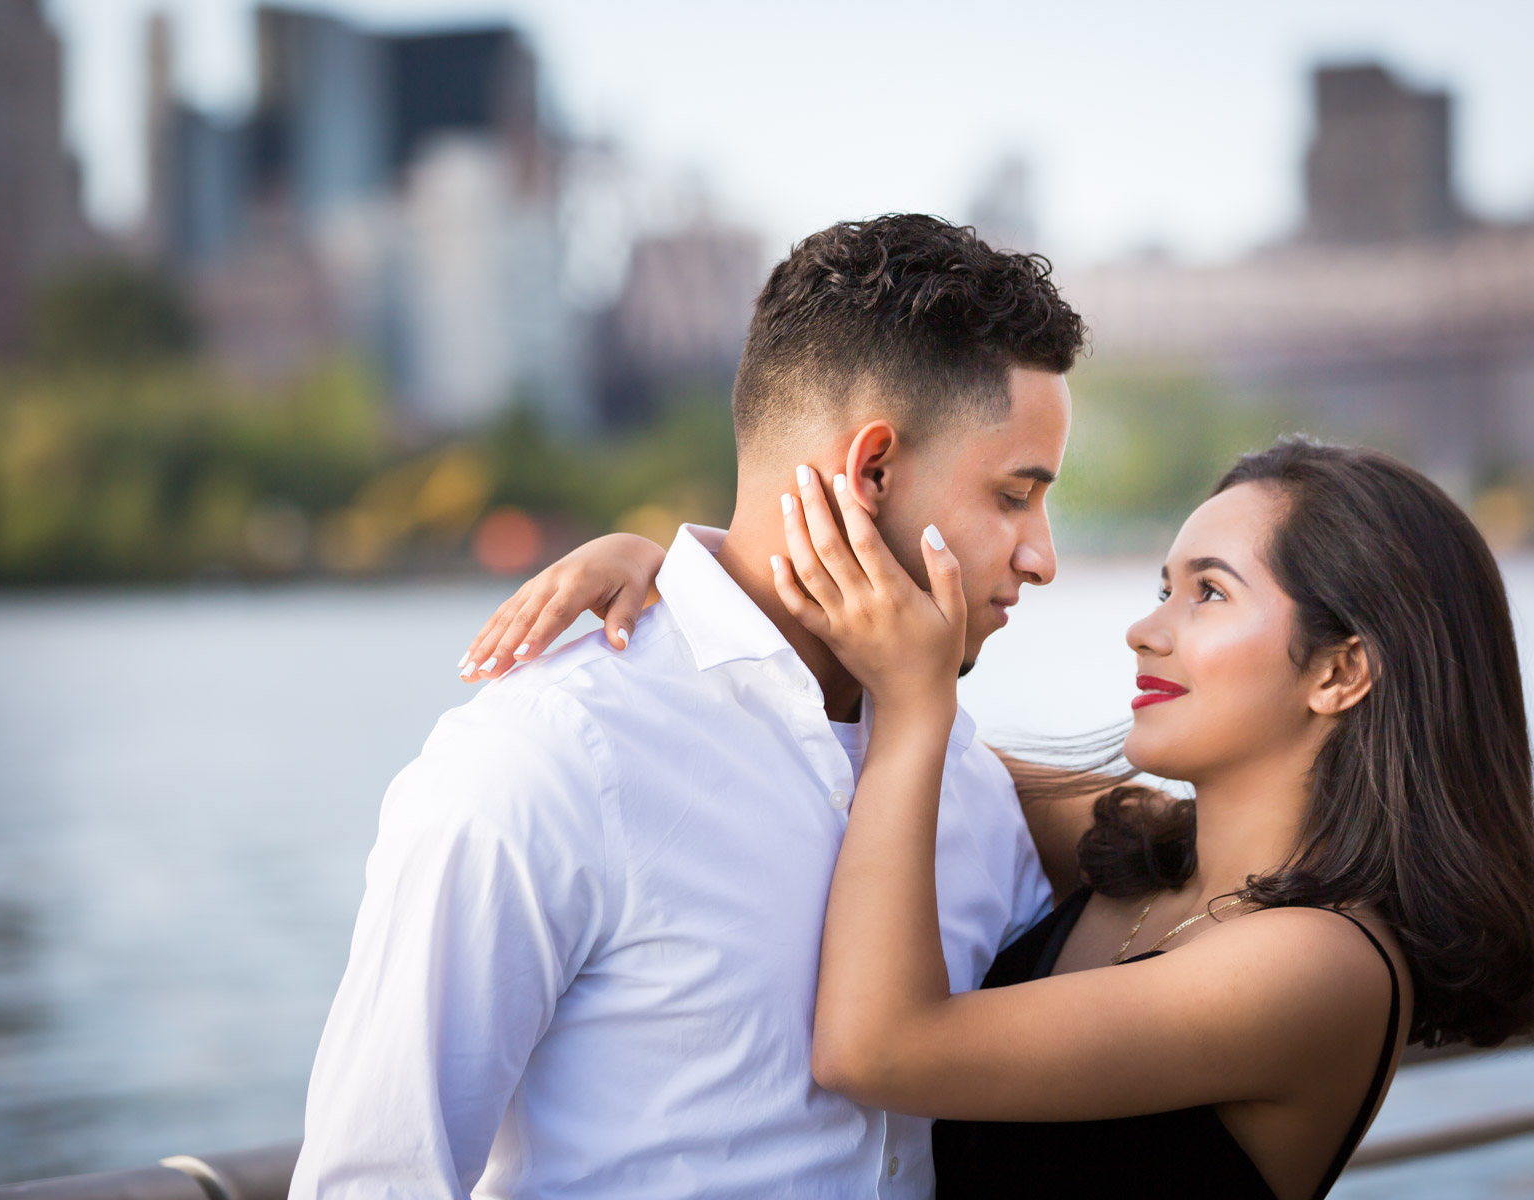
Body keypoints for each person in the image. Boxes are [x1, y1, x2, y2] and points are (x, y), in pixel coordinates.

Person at [482, 437, 1534, 1199]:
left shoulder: (1319, 967)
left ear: (1341, 670)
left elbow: (876, 1047)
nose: (1144, 632)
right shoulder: (1148, 849)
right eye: (1164, 584)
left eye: (1207, 593)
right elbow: (827, 726)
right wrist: (691, 584)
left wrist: (922, 704)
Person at [289, 214, 1088, 1199]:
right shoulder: (548, 762)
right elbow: (374, 1182)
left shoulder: (957, 777)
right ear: (871, 472)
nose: (1042, 558)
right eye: (1016, 496)